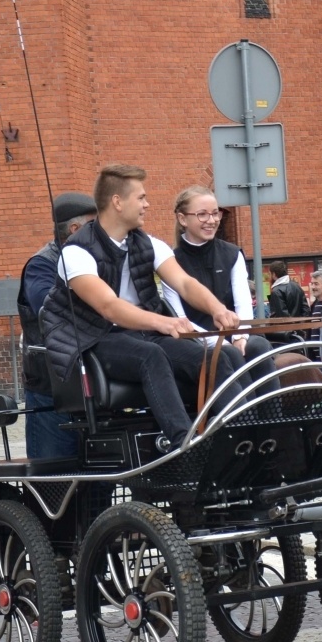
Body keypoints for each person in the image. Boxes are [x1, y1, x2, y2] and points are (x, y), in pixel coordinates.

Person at [37, 164, 241, 449]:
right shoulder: (75, 252)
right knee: (150, 356)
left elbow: (184, 283)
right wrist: (164, 323)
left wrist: (217, 308)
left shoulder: (148, 244)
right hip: (93, 338)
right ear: (117, 202)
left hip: (140, 333)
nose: (147, 204)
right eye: (141, 197)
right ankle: (185, 445)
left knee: (214, 356)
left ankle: (242, 434)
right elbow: (108, 306)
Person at [165, 186, 278, 396]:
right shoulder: (170, 262)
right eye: (202, 214)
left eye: (215, 212)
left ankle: (274, 421)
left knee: (259, 346)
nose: (212, 220)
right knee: (229, 355)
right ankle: (247, 418)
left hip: (235, 332)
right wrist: (222, 342)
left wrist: (239, 338)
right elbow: (179, 317)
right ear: (182, 219)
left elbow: (243, 302)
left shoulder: (232, 253)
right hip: (199, 340)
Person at [19, 191, 96, 459]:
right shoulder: (41, 266)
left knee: (100, 478)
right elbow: (49, 309)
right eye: (93, 226)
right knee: (55, 475)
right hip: (51, 390)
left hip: (93, 385)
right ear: (75, 229)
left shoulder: (97, 261)